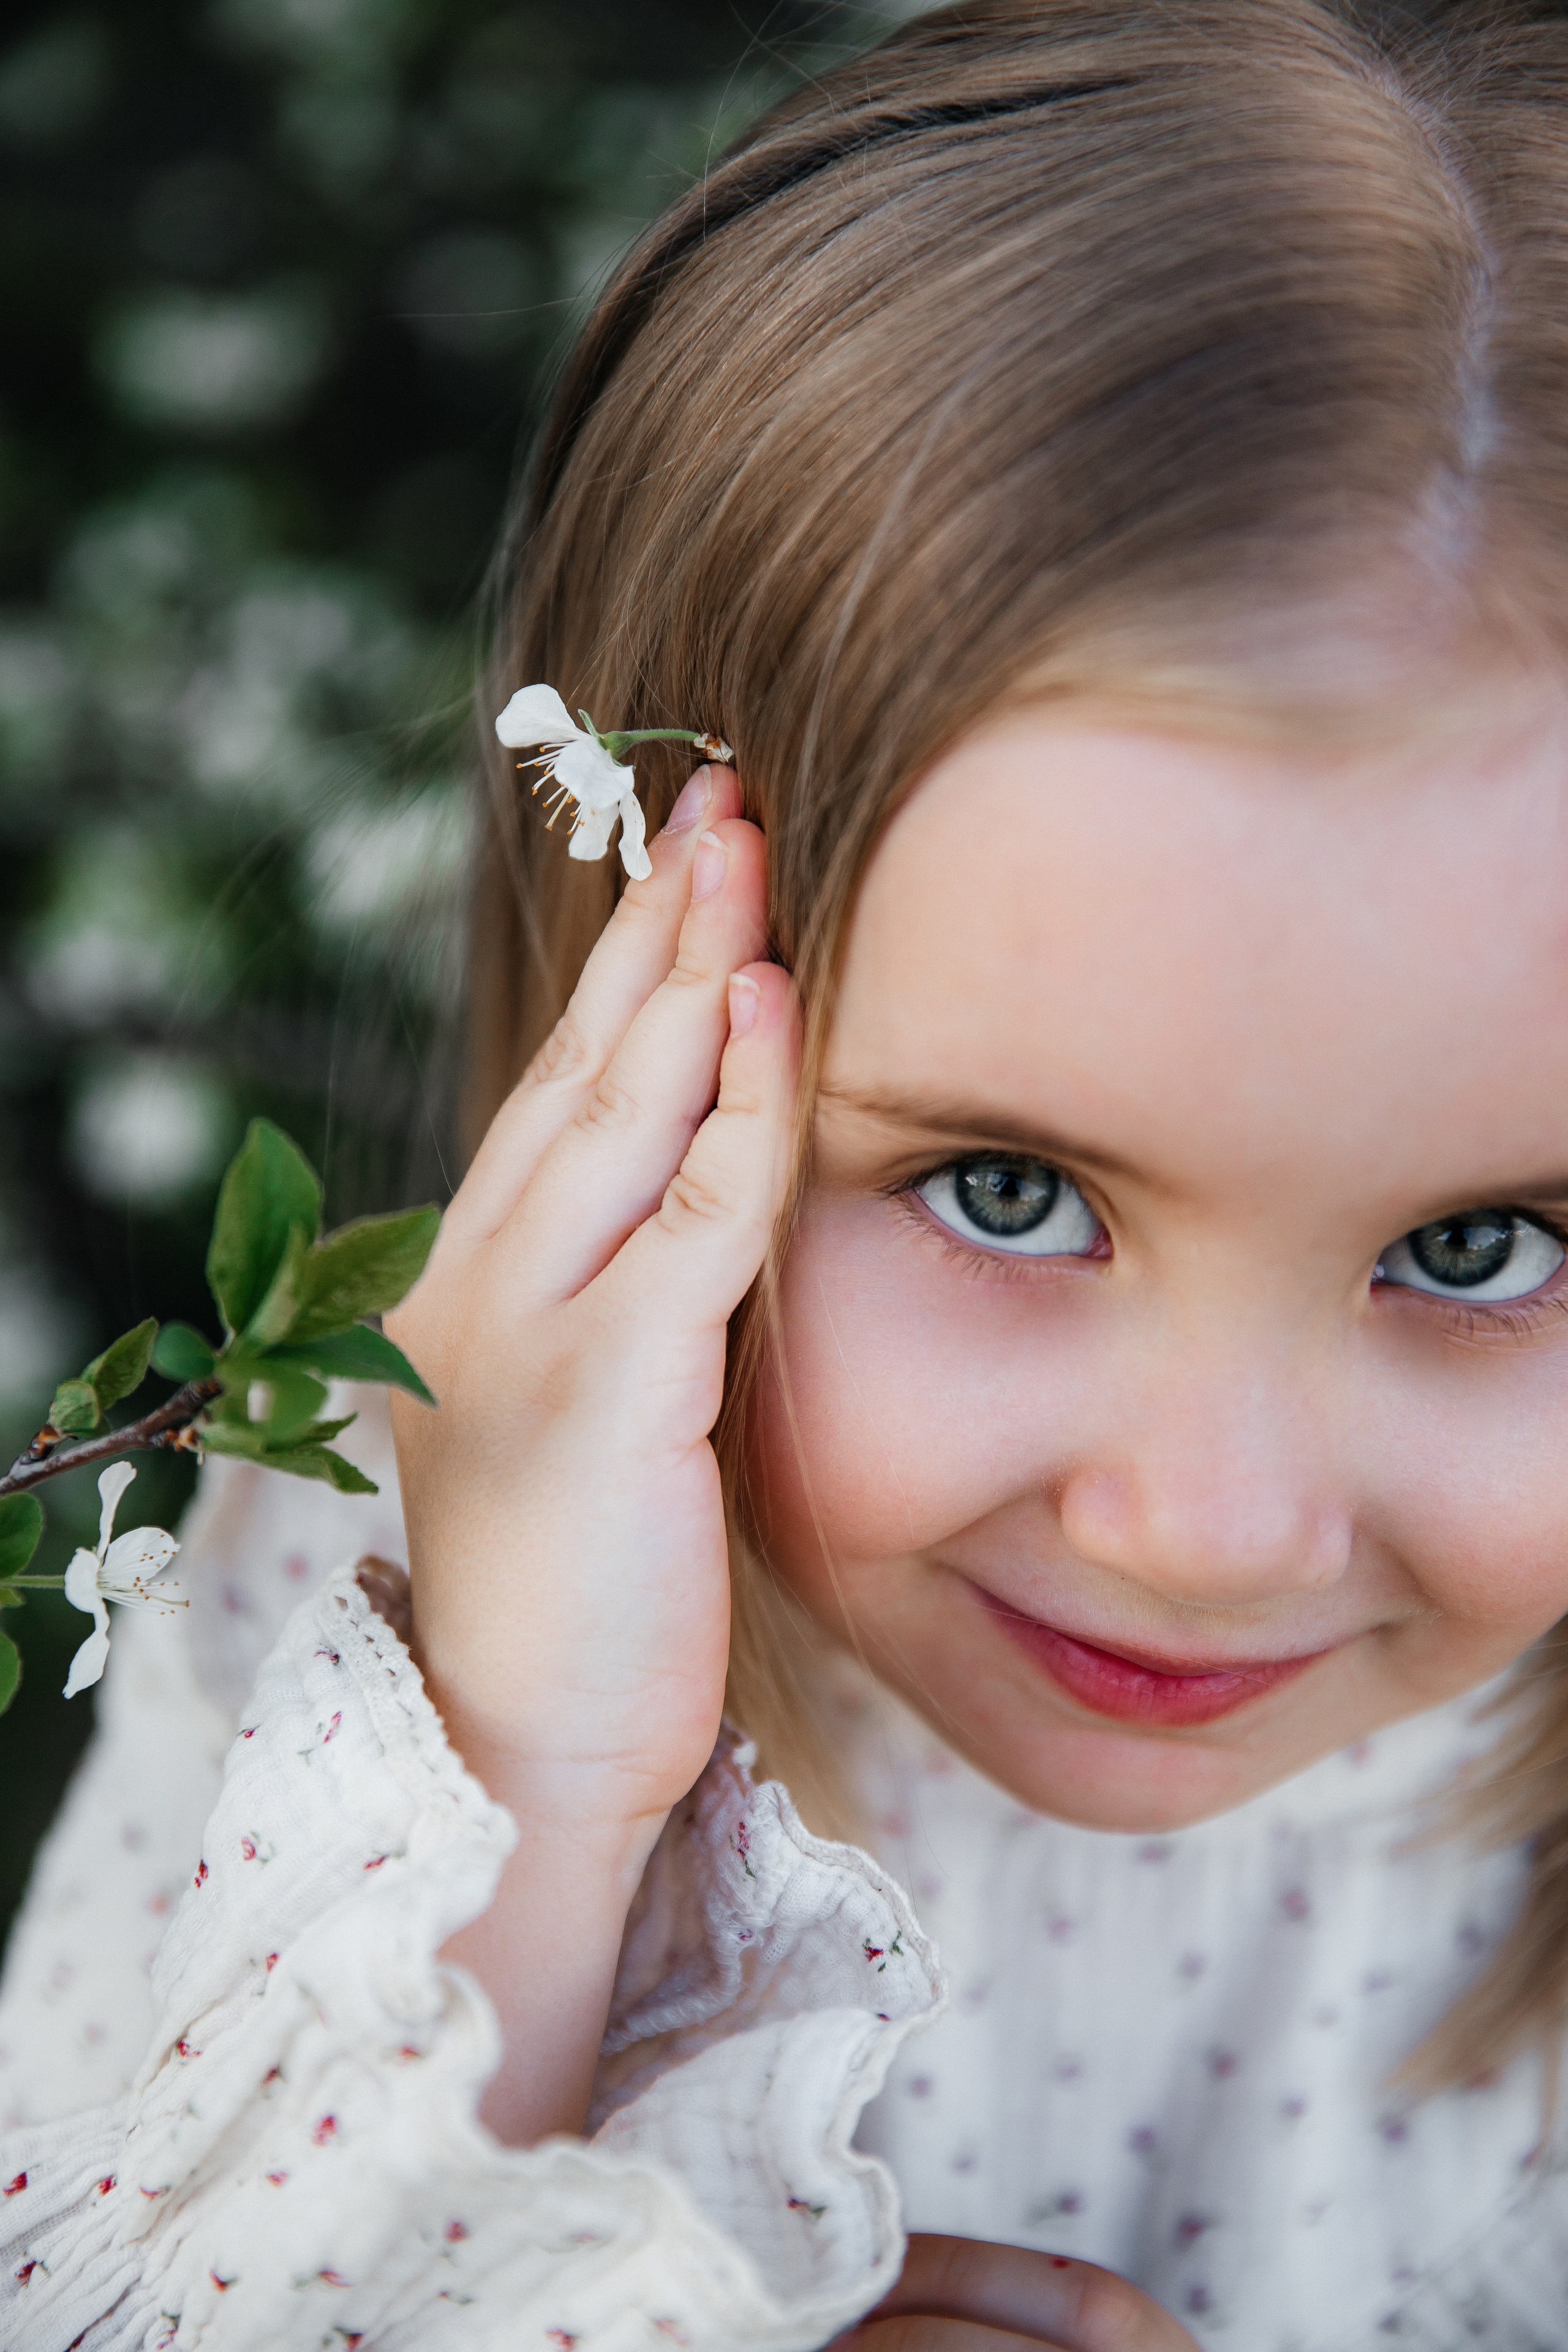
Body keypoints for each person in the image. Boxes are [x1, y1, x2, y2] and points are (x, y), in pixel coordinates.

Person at [6, 1, 1568, 2343]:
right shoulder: (348, 1635)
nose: (1217, 1526)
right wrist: (527, 1774)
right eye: (1010, 1193)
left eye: (1485, 1245)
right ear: (629, 1019)